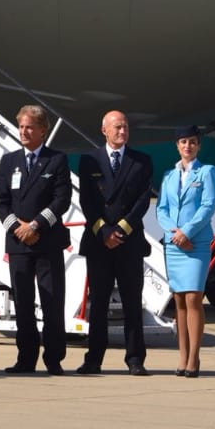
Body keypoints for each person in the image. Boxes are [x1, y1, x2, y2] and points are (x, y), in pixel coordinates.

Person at [0, 104, 72, 374]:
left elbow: (62, 199)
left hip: (47, 242)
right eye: (21, 127)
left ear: (42, 130)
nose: (24, 132)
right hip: (18, 244)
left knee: (52, 301)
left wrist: (36, 224)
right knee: (23, 304)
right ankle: (25, 358)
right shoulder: (9, 161)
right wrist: (17, 227)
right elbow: (0, 200)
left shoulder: (56, 160)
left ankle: (54, 358)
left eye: (29, 127)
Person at [76, 110, 153, 376]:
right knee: (98, 303)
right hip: (100, 242)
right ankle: (93, 358)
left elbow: (143, 200)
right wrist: (104, 231)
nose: (122, 132)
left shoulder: (141, 161)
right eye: (117, 127)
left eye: (125, 127)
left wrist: (120, 229)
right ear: (104, 130)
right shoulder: (89, 161)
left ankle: (135, 358)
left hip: (128, 241)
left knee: (132, 301)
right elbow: (87, 200)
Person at [155, 124, 215, 377]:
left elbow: (208, 205)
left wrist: (186, 232)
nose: (187, 146)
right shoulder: (169, 176)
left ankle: (194, 357)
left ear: (198, 145)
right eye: (183, 142)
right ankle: (182, 356)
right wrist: (174, 232)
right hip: (174, 243)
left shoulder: (207, 172)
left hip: (196, 243)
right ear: (177, 146)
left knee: (193, 297)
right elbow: (161, 208)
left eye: (192, 142)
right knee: (179, 300)